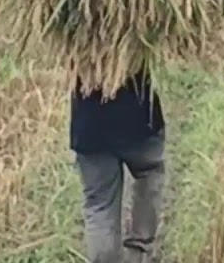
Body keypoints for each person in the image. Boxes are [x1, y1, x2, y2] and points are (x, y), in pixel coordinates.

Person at [70, 67, 166, 263]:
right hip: (140, 120)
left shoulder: (76, 38)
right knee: (149, 177)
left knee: (100, 205)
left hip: (91, 127)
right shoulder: (139, 36)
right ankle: (138, 252)